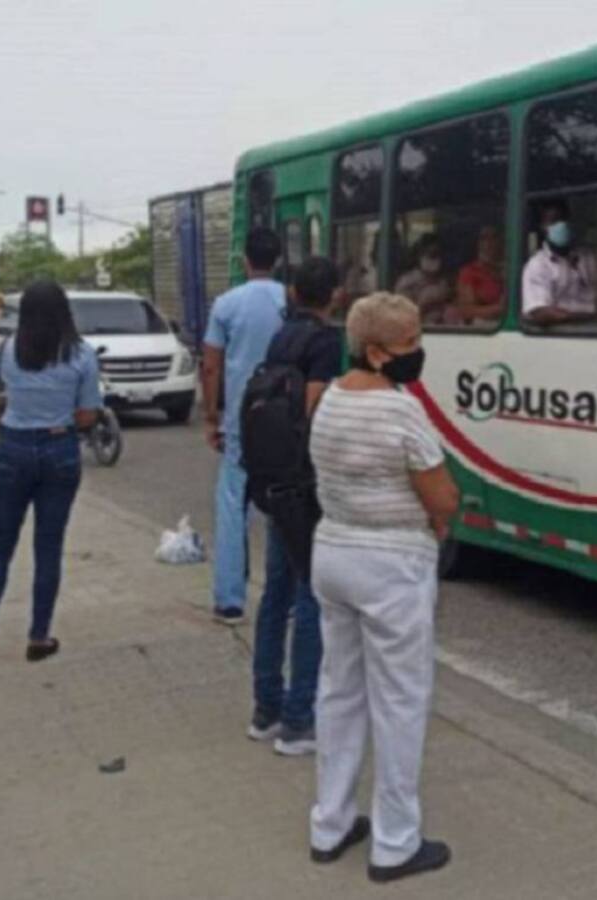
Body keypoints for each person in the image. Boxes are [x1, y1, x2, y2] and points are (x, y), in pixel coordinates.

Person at [307, 292, 459, 883]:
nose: (418, 352)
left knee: (339, 692)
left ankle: (331, 823)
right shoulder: (402, 411)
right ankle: (395, 843)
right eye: (409, 343)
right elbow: (441, 495)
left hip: (333, 554)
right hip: (391, 564)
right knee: (400, 701)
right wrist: (442, 515)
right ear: (375, 351)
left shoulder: (330, 400)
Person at [0, 280, 101, 664]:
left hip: (12, 450)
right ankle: (39, 637)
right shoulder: (82, 355)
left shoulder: (5, 350)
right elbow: (87, 415)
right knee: (49, 548)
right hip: (60, 449)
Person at [248, 256, 343, 757]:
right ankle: (299, 721)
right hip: (305, 484)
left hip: (273, 478)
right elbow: (315, 407)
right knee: (310, 597)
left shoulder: (281, 337)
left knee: (276, 595)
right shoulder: (325, 342)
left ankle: (266, 709)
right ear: (334, 295)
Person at [202, 226, 286, 625]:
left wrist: (211, 416)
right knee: (285, 503)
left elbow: (211, 365)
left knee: (233, 504)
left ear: (244, 260)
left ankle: (230, 601)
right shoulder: (291, 300)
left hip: (242, 417)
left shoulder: (226, 304)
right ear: (279, 260)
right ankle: (285, 598)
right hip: (285, 418)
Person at [521, 202, 597, 326]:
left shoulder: (587, 258)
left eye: (563, 219)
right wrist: (589, 317)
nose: (561, 225)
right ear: (543, 227)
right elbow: (540, 312)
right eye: (553, 221)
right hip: (564, 331)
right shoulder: (538, 265)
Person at [449, 225, 505, 326]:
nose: (489, 243)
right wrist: (499, 308)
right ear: (478, 244)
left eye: (494, 237)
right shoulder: (469, 272)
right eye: (484, 238)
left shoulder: (510, 270)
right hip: (482, 328)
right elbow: (467, 311)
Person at [393, 233, 453, 323]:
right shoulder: (406, 283)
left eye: (436, 255)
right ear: (419, 256)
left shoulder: (446, 282)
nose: (433, 259)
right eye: (429, 254)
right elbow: (401, 317)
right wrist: (423, 304)